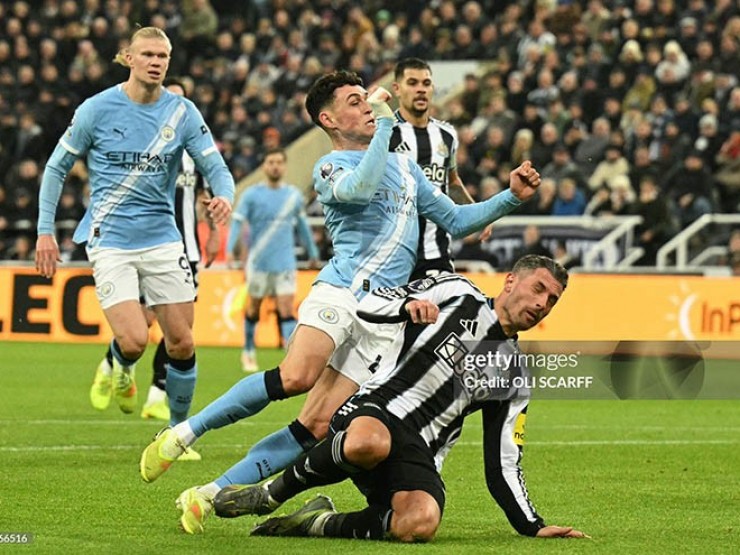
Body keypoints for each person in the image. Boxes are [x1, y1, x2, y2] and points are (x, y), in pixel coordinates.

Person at [139, 70, 540, 534]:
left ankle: (208, 495)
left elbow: (455, 219)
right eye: (354, 101)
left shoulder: (406, 168)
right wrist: (387, 127)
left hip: (384, 315)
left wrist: (511, 197)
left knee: (314, 425)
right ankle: (183, 433)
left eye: (366, 99)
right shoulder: (330, 167)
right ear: (328, 120)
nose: (367, 106)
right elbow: (360, 190)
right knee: (296, 376)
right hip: (343, 291)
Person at [213, 256, 588, 542]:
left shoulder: (514, 374)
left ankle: (314, 523)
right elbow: (369, 304)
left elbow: (503, 461)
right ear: (510, 281)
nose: (542, 303)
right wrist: (405, 308)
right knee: (369, 442)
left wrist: (532, 525)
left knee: (420, 523)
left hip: (420, 449)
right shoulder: (456, 291)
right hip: (377, 408)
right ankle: (270, 494)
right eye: (538, 289)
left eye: (552, 300)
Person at [35, 27, 234, 437]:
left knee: (182, 343)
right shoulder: (96, 109)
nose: (156, 62)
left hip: (163, 238)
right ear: (128, 57)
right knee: (134, 340)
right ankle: (120, 364)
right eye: (147, 54)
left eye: (163, 56)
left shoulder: (183, 112)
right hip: (110, 240)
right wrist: (44, 231)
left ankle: (176, 434)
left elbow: (216, 167)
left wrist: (225, 197)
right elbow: (55, 168)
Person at [88, 78, 221, 431]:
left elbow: (206, 195)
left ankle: (156, 396)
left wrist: (213, 233)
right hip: (145, 244)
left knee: (180, 332)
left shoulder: (194, 150)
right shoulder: (143, 145)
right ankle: (111, 365)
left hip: (185, 248)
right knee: (143, 323)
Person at [389, 58, 492, 281]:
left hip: (436, 252)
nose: (420, 89)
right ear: (397, 89)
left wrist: (477, 216)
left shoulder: (446, 134)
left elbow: (451, 182)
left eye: (426, 83)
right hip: (391, 254)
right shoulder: (384, 133)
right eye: (412, 83)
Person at [226, 148, 320, 372]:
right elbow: (237, 222)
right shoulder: (251, 195)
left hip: (285, 262)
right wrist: (230, 250)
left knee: (286, 309)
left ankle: (291, 357)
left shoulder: (293, 196)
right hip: (258, 262)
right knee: (253, 308)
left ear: (284, 166)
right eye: (271, 162)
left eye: (279, 162)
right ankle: (249, 350)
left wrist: (313, 252)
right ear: (264, 166)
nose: (275, 166)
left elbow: (303, 226)